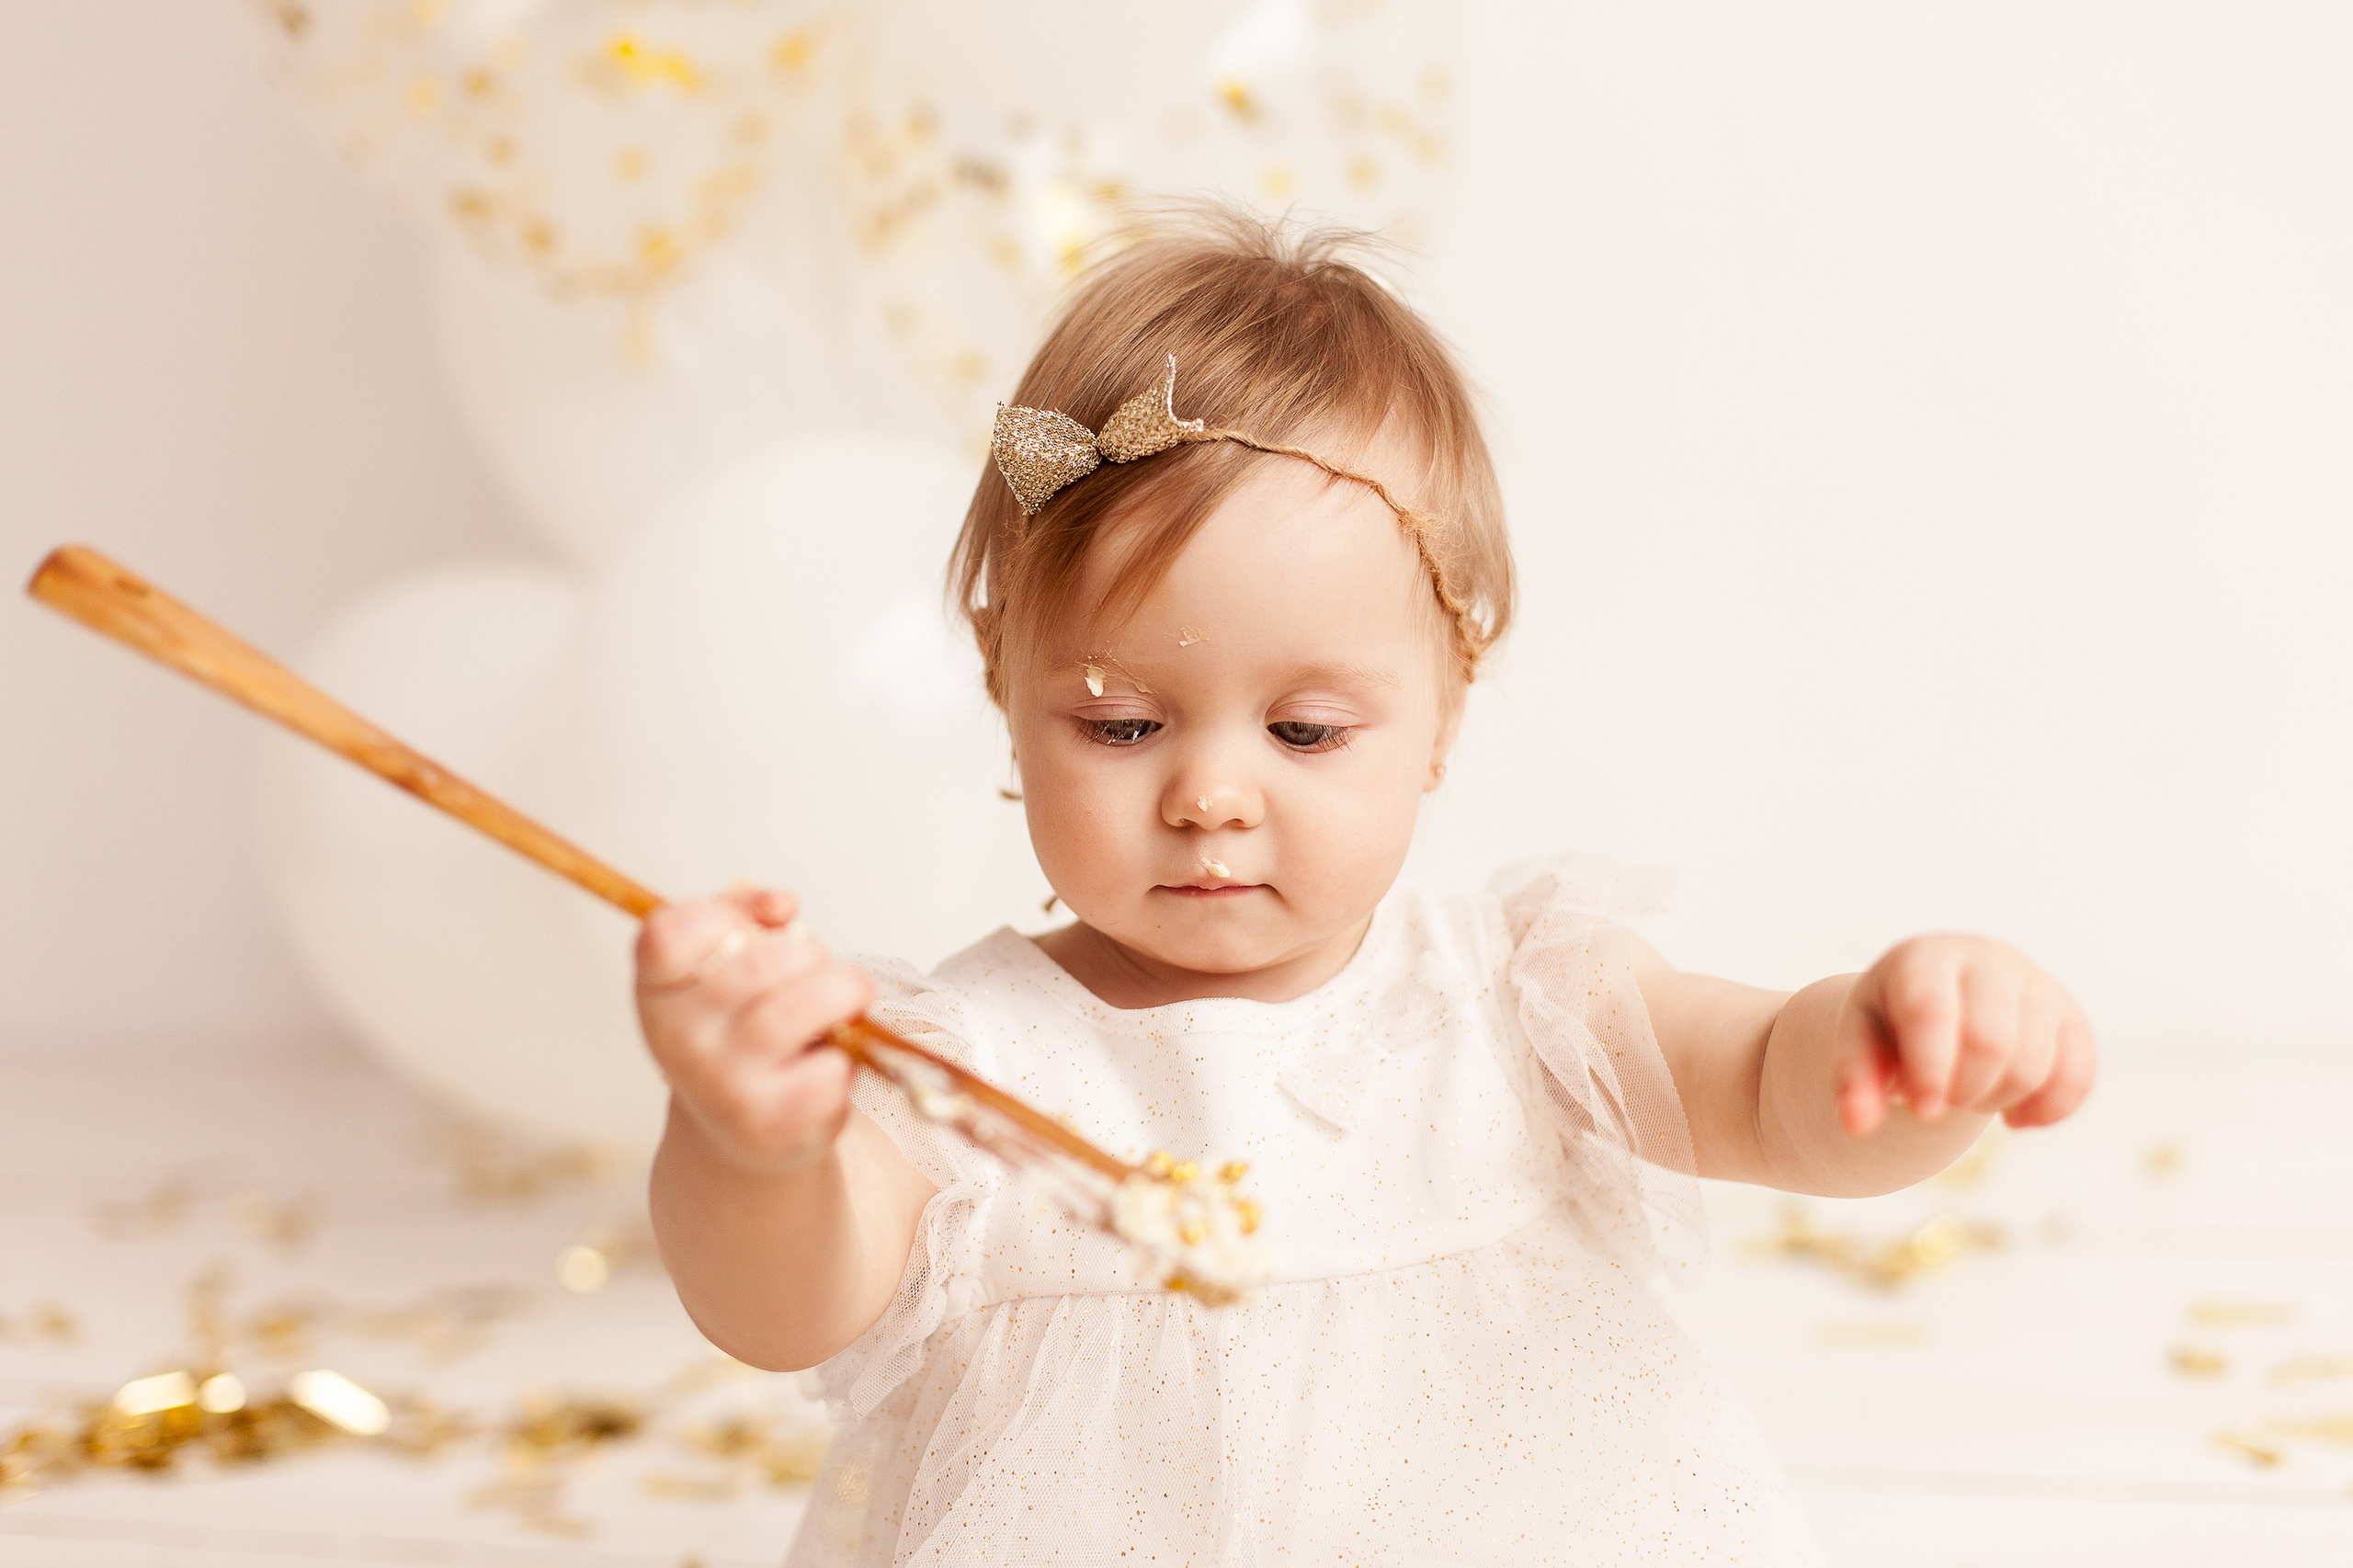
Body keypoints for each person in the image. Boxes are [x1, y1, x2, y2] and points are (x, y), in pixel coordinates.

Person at [635, 211, 2097, 1564]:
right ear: (1007, 691)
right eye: (1121, 723)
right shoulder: (965, 1062)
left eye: (1307, 732)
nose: (1212, 793)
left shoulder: (1511, 999)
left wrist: (1900, 1049)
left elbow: (1771, 1088)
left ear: (1446, 715)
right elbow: (785, 1308)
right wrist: (755, 1148)